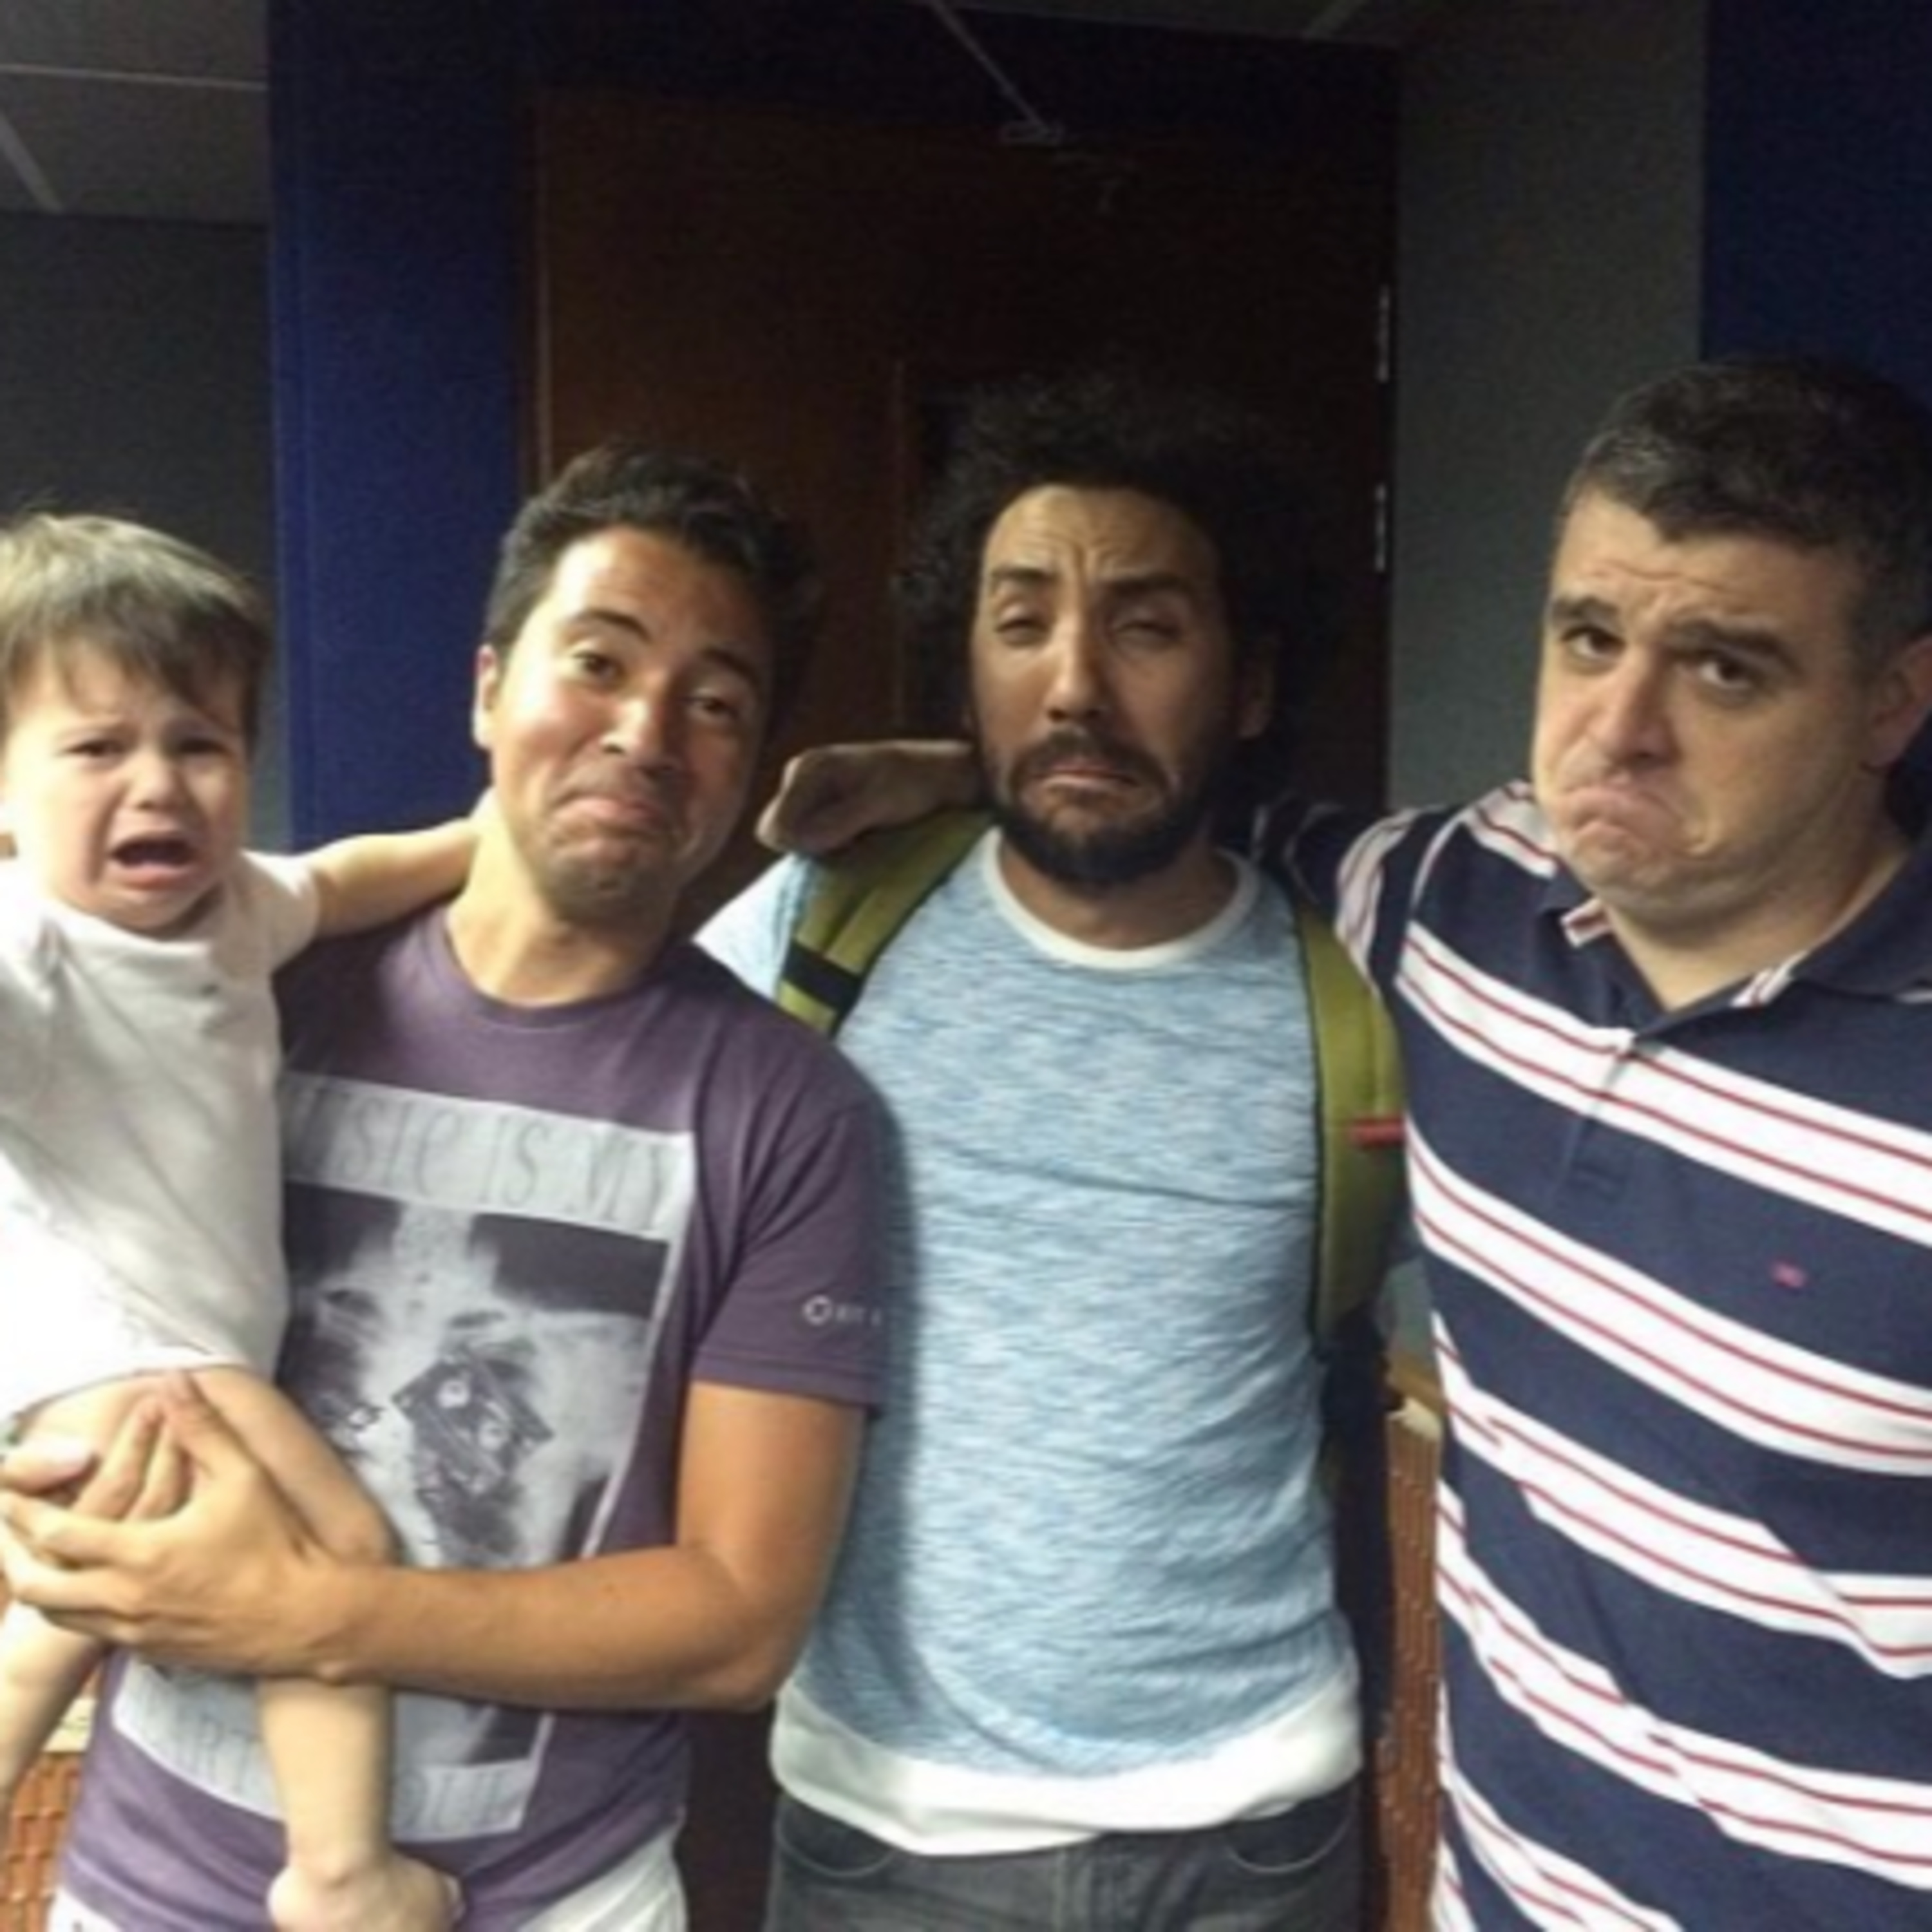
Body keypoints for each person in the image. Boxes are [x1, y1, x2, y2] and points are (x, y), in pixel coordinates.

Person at [755, 354, 1932, 1928]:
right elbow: (1136, 798)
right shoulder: (1450, 905)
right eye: (1589, 637)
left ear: (1891, 701)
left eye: (1726, 668)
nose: (1621, 729)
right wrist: (978, 764)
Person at [0, 444, 884, 1931]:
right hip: (151, 1887)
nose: (646, 730)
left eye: (717, 703)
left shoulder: (788, 1113)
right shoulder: (247, 988)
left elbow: (742, 1626)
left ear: (745, 769)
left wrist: (320, 1617)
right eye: (597, 662)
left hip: (561, 1899)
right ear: (488, 690)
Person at [698, 368, 1395, 1931]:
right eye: (1021, 624)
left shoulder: (1351, 997)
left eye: (1147, 628)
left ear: (1250, 684)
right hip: (889, 1828)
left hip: (1255, 1830)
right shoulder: (826, 928)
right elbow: (567, 1042)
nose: (1074, 683)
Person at [0, 513, 478, 1931]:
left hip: (156, 1368)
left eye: (199, 744)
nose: (158, 782)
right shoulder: (32, 947)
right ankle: (341, 1874)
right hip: (134, 1365)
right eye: (98, 747)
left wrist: (487, 841)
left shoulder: (233, 912)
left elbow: (345, 877)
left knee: (72, 1612)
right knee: (333, 1561)